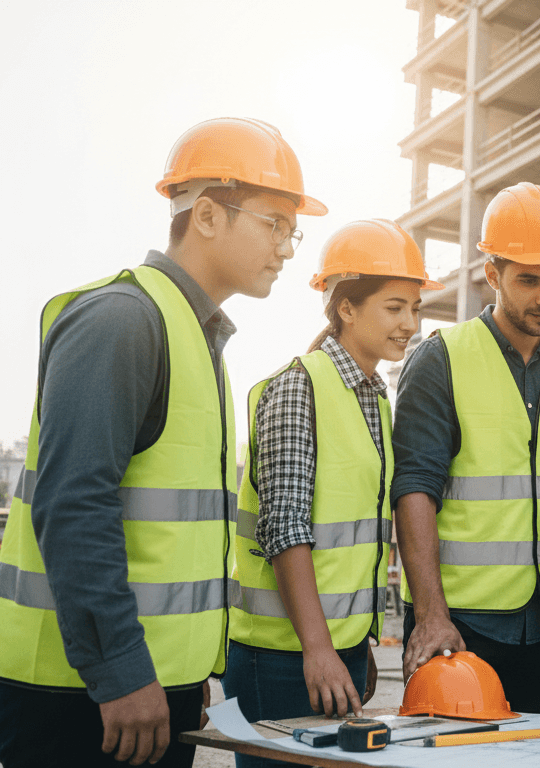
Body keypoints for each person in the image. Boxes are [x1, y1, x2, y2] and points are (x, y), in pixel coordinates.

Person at [0, 117, 325, 767]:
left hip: (149, 686)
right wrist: (121, 669)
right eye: (275, 224)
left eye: (293, 231)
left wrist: (185, 671)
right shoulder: (123, 320)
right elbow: (74, 506)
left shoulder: (195, 337)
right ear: (206, 215)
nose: (288, 249)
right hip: (82, 695)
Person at [223, 220, 441, 766]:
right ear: (346, 307)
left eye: (415, 309)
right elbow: (284, 527)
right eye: (394, 308)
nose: (410, 324)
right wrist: (319, 650)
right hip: (280, 656)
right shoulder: (298, 387)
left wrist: (354, 645)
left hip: (336, 649)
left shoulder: (376, 398)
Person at [392, 182, 540, 713]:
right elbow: (413, 490)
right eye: (529, 280)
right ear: (492, 274)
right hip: (459, 624)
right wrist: (431, 615)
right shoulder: (440, 359)